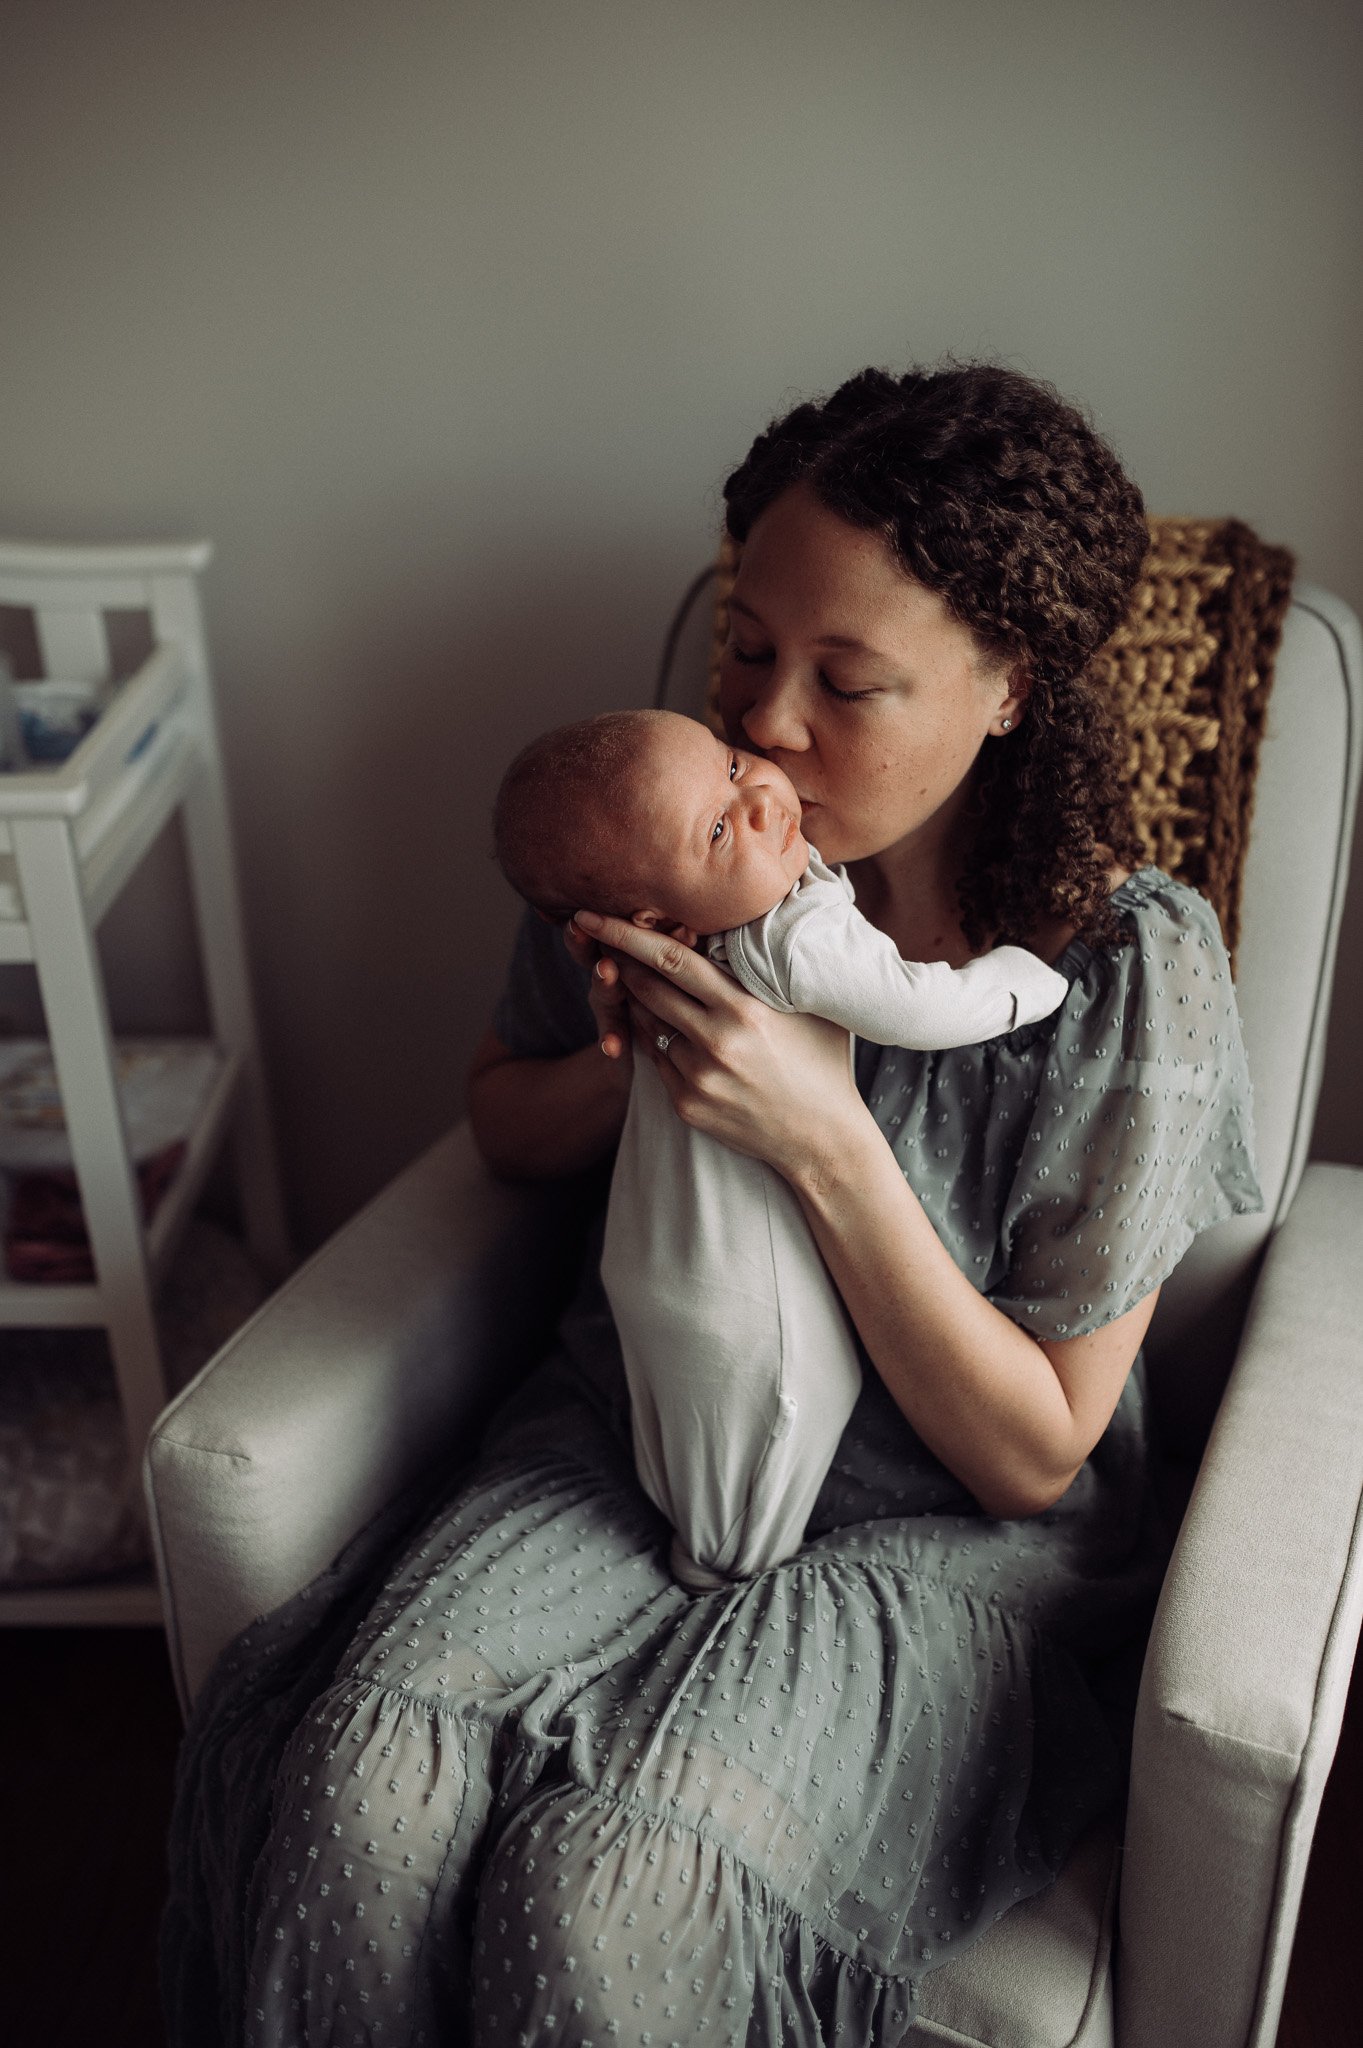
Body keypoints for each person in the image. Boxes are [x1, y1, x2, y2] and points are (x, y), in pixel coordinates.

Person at [167, 363, 1262, 2047]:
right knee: (356, 1781)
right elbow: (503, 1118)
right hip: (625, 1435)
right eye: (748, 645)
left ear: (1004, 689)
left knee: (612, 1888)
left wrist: (820, 1130)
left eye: (849, 679)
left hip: (935, 1539)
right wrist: (652, 1054)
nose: (765, 719)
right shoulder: (660, 831)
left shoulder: (1120, 969)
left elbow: (1034, 1447)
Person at [493, 707, 1069, 1590]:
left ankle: (703, 1552)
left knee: (688, 1436)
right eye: (720, 828)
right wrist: (1028, 980)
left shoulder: (685, 913)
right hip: (741, 1293)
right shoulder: (788, 931)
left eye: (729, 765)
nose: (761, 790)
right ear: (652, 917)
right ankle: (727, 1572)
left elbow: (1035, 1461)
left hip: (656, 1265)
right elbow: (921, 1007)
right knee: (772, 1421)